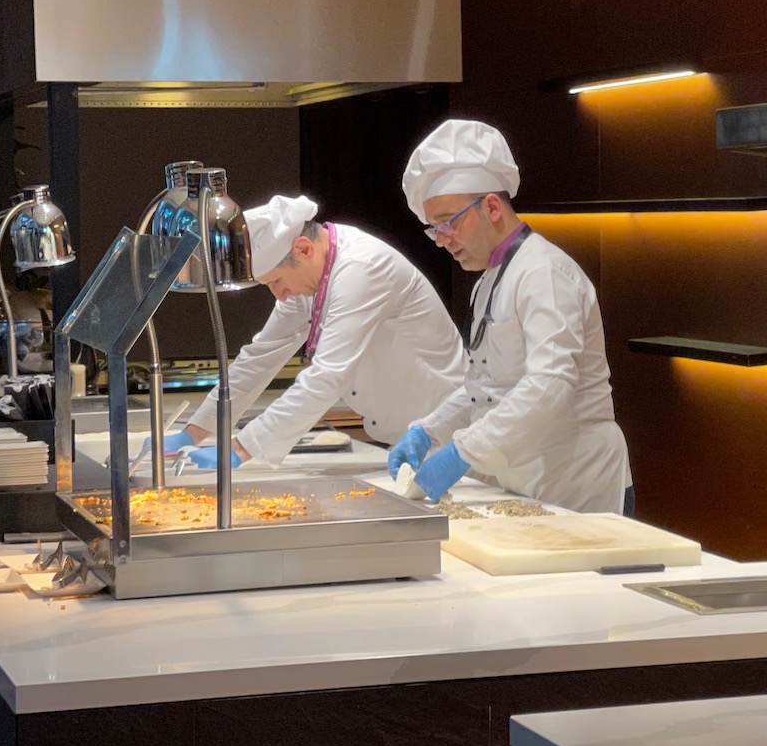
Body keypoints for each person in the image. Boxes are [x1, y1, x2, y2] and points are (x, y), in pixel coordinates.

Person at [390, 120, 633, 515]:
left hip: (577, 482)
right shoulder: (488, 280)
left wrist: (462, 452)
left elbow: (549, 384)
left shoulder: (545, 273)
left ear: (491, 206)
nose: (443, 239)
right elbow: (484, 388)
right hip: (526, 480)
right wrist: (429, 429)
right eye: (434, 229)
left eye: (450, 222)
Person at [165, 195, 465, 468]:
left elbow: (328, 376)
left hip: (449, 434)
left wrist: (241, 448)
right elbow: (261, 357)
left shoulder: (362, 268)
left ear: (303, 249)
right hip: (407, 437)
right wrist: (193, 432)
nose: (279, 295)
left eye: (276, 281)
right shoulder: (310, 278)